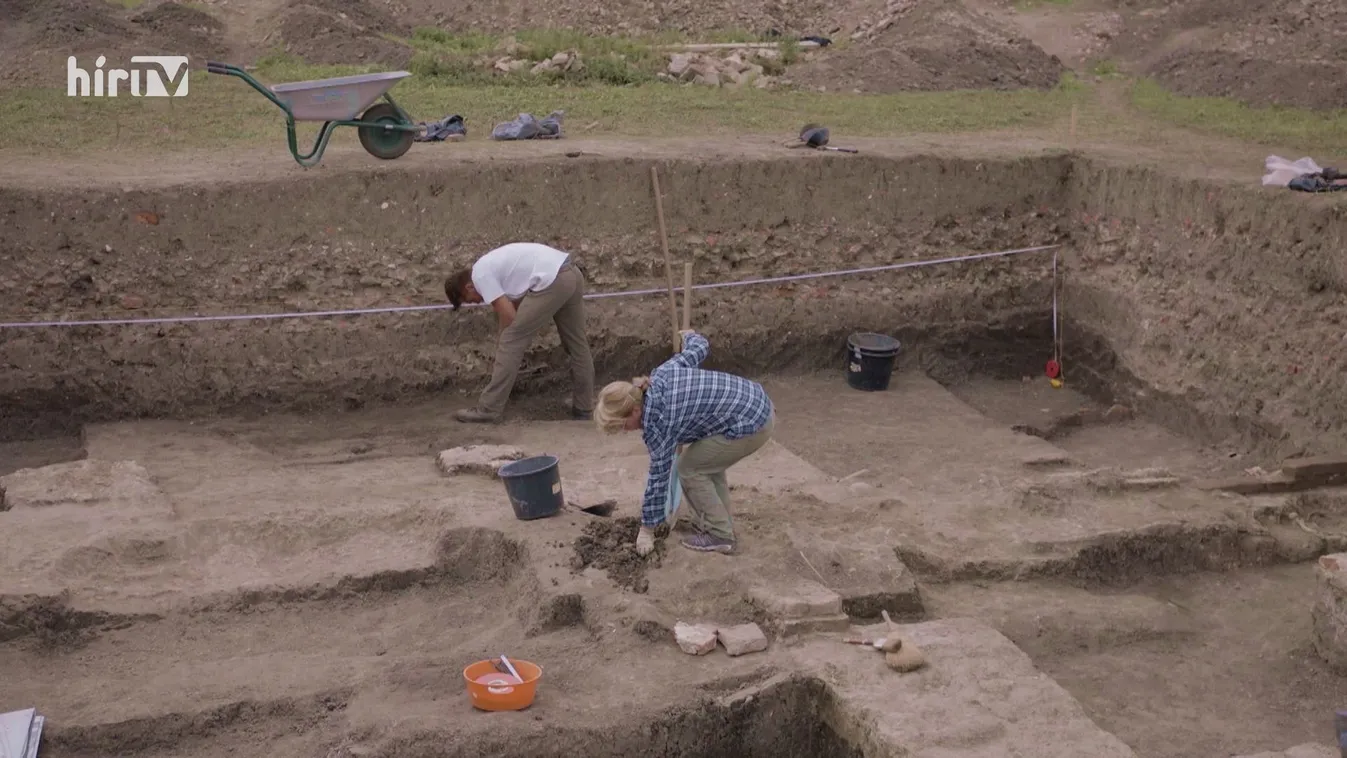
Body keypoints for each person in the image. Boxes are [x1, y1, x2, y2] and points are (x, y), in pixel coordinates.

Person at [594, 329, 776, 556]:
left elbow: (659, 479)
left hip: (752, 423)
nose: (624, 431)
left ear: (635, 410)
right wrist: (689, 335)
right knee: (705, 464)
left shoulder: (659, 422)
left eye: (622, 426)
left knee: (689, 468)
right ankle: (719, 523)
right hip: (754, 403)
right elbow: (699, 348)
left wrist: (647, 528)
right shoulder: (660, 375)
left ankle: (720, 535)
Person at [444, 242, 594, 423]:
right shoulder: (496, 270)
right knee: (577, 344)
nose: (475, 303)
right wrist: (503, 343)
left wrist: (504, 347)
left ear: (468, 287)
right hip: (570, 273)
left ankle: (488, 409)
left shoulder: (480, 275)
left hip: (553, 280)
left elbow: (510, 317)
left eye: (469, 301)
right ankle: (583, 408)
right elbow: (509, 310)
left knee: (511, 341)